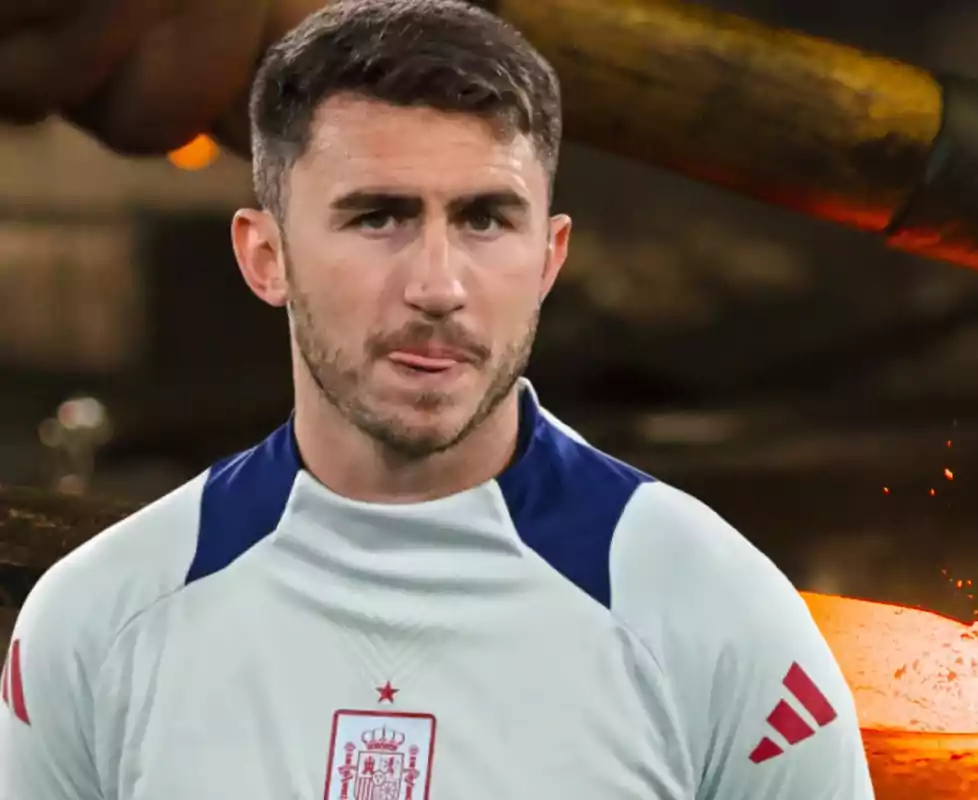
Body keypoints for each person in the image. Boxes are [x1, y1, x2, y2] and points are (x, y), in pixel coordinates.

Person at [0, 1, 875, 798]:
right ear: (265, 256)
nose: (437, 284)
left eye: (486, 218)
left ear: (549, 257)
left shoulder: (719, 618)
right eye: (377, 216)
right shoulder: (97, 620)